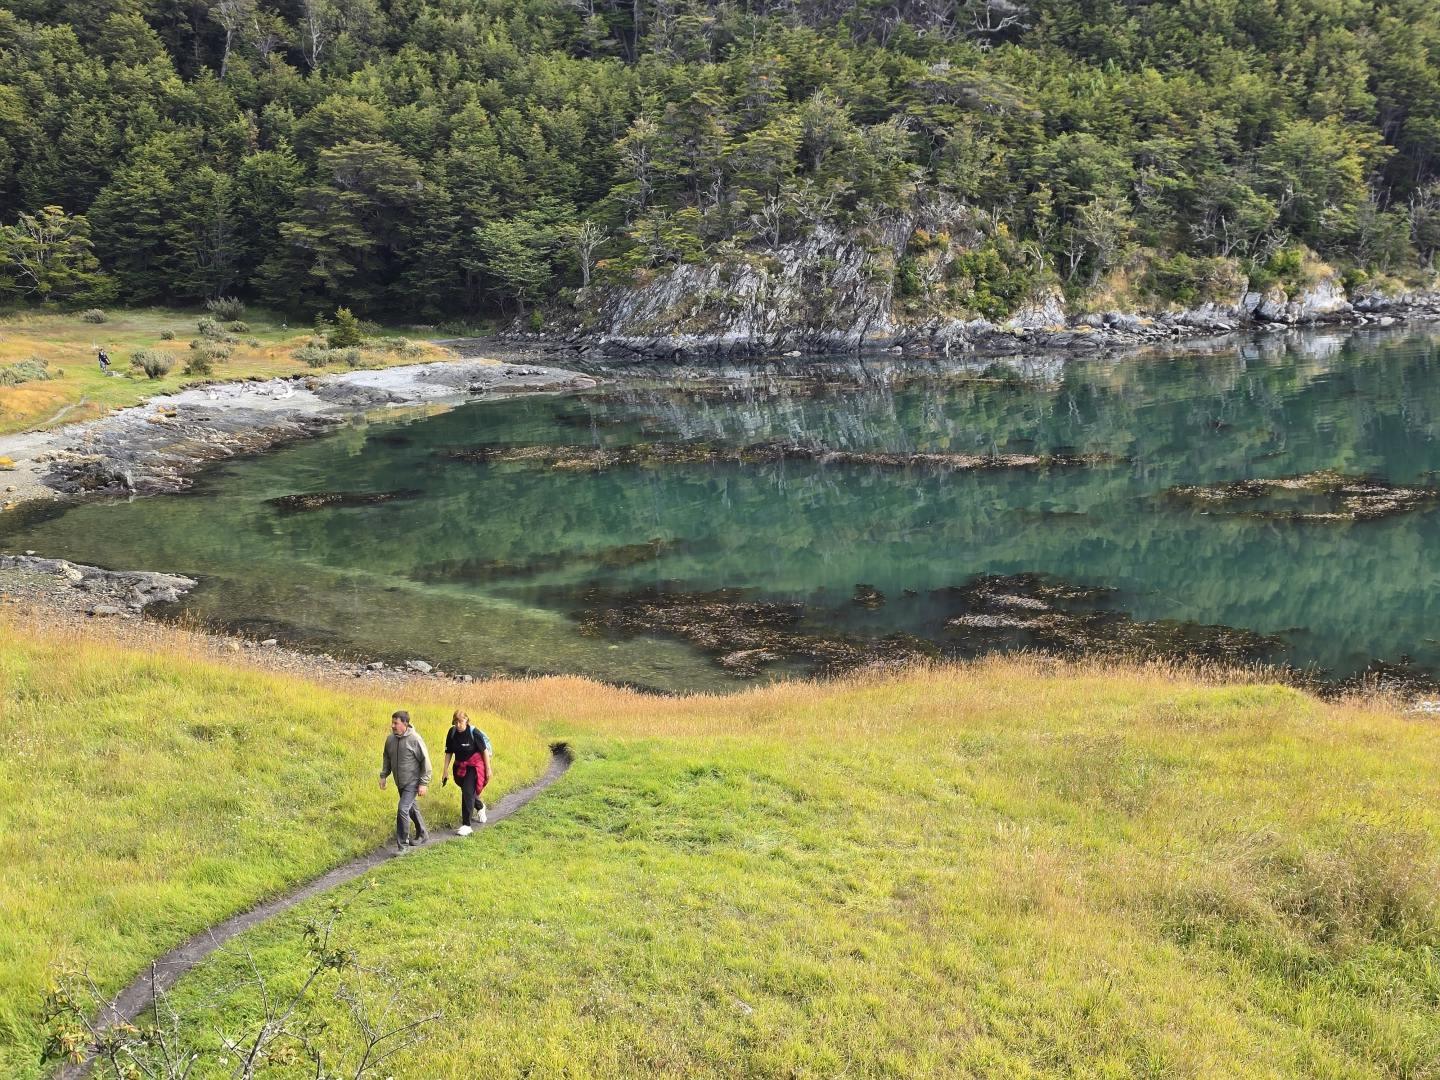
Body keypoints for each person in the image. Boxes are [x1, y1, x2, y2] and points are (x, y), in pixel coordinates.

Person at [379, 710, 431, 852]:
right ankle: (423, 833)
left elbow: (425, 762)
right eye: (392, 722)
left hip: (412, 782)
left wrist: (423, 783)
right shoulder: (390, 739)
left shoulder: (415, 739)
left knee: (403, 809)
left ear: (405, 724)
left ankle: (403, 846)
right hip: (399, 782)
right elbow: (387, 757)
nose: (392, 726)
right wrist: (384, 775)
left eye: (396, 723)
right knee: (411, 808)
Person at [442, 710, 492, 835]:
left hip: (475, 765)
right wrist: (445, 770)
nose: (458, 725)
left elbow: (484, 751)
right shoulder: (452, 732)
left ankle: (467, 825)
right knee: (466, 791)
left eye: (461, 721)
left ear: (466, 720)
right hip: (460, 766)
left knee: (468, 791)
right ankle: (480, 806)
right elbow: (449, 752)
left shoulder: (474, 733)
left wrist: (488, 769)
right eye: (456, 722)